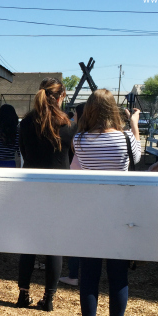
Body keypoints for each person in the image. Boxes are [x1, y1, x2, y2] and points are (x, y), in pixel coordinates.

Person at [72, 89, 141, 316]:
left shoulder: (79, 139)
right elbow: (138, 157)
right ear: (113, 110)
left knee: (89, 272)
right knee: (118, 273)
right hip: (120, 214)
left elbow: (76, 169)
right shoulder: (124, 138)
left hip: (91, 214)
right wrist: (133, 125)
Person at [16, 78, 76, 311]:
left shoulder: (27, 122)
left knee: (28, 244)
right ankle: (49, 298)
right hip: (59, 190)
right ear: (61, 96)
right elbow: (69, 159)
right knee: (54, 245)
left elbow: (24, 153)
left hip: (31, 187)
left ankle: (23, 294)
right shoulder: (67, 124)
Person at [60, 102, 86, 287]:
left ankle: (74, 274)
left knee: (77, 235)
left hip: (77, 189)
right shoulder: (91, 135)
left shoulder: (78, 137)